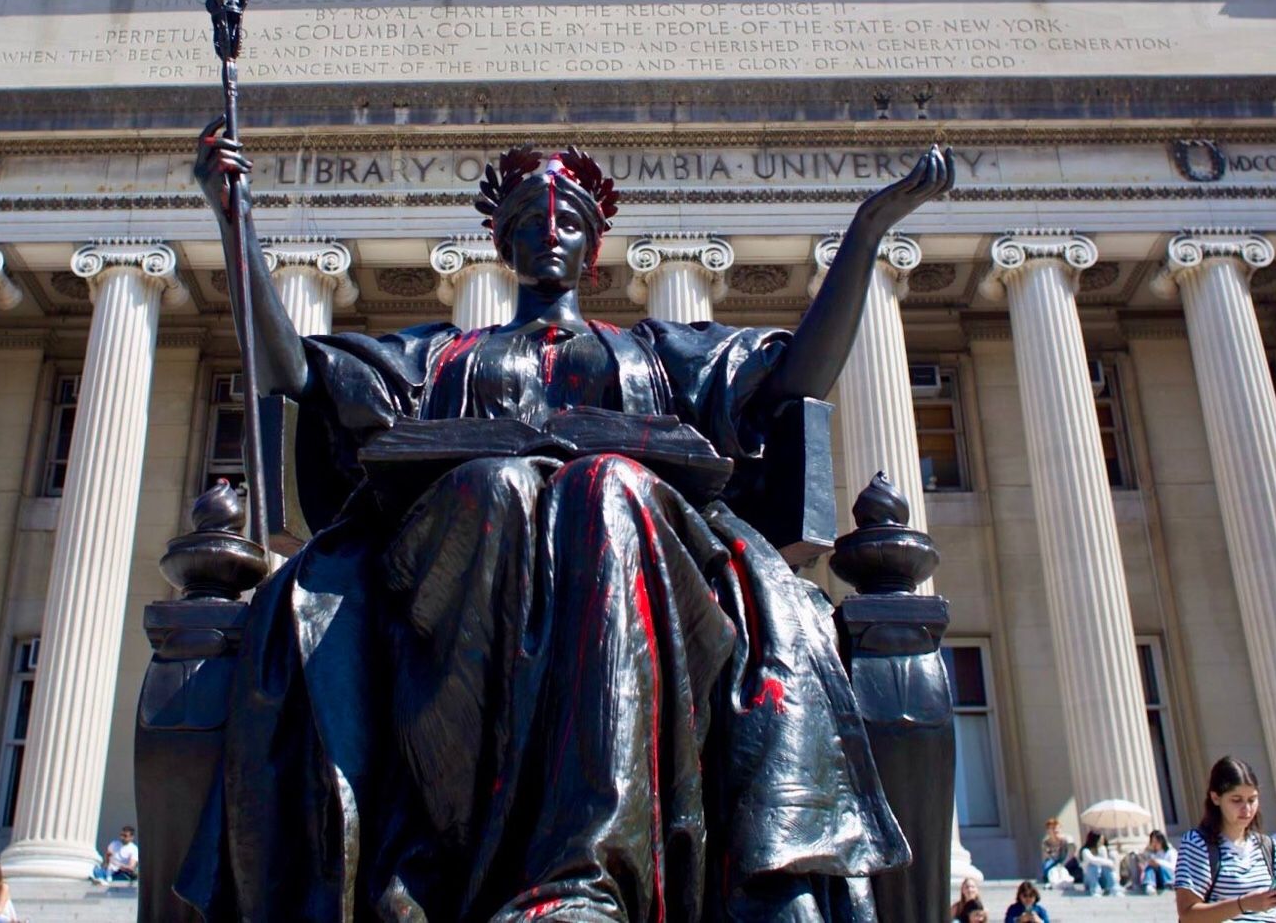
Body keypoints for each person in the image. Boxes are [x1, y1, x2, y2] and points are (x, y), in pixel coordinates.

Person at [192, 129, 954, 919]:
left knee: (605, 488)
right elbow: (292, 373)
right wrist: (235, 224)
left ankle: (583, 880)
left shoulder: (658, 357)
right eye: (527, 220)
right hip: (462, 567)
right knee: (493, 490)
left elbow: (799, 376)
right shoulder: (441, 357)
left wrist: (865, 235)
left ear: (593, 244)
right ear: (503, 241)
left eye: (566, 221)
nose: (547, 232)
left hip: (643, 563)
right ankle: (440, 856)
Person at [1174, 755, 1276, 922]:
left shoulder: (1271, 848)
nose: (1247, 809)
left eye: (1252, 800)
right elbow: (1187, 914)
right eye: (1236, 800)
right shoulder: (1198, 843)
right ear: (1215, 798)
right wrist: (1243, 904)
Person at [1036, 817, 1077, 886]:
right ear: (1048, 831)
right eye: (1052, 828)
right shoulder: (1046, 843)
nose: (1055, 830)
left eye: (1057, 828)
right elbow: (1046, 858)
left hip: (1067, 861)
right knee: (1047, 866)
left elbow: (1071, 853)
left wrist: (1063, 864)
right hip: (1055, 862)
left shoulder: (1067, 839)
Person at [1134, 827, 1177, 893]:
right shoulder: (1153, 854)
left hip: (1170, 878)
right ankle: (1149, 885)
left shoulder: (1171, 852)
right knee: (1150, 867)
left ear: (1162, 841)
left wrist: (1159, 863)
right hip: (1158, 880)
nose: (1154, 844)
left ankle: (1168, 885)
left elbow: (1173, 867)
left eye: (1156, 842)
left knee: (1160, 867)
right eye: (1152, 842)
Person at [1078, 830, 1118, 896]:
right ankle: (1095, 890)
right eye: (1101, 840)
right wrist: (1110, 862)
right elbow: (1092, 860)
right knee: (1092, 866)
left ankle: (1113, 888)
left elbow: (1104, 864)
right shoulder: (1085, 851)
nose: (1103, 841)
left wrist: (1108, 862)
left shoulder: (1102, 849)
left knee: (1106, 867)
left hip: (1101, 878)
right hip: (1090, 879)